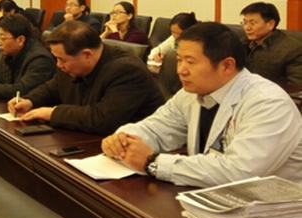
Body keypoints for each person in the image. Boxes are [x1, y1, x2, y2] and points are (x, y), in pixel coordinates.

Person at [101, 22, 302, 188]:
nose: (181, 70)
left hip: (274, 212)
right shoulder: (191, 93)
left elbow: (239, 172)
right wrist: (123, 140)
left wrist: (153, 162)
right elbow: (156, 128)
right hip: (211, 200)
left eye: (190, 62)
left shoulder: (268, 103)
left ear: (227, 66)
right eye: (179, 60)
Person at [9, 21, 164, 134]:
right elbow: (54, 87)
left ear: (87, 55)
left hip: (134, 148)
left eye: (62, 59)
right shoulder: (70, 64)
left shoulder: (127, 70)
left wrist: (52, 113)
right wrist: (30, 100)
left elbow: (103, 119)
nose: (58, 65)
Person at [0, 14, 55, 99]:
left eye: (3, 38)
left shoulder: (40, 60)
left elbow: (22, 90)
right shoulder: (10, 53)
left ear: (20, 40)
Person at [240, 1, 302, 86]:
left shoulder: (293, 49)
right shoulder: (242, 43)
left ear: (270, 24)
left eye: (252, 23)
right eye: (244, 22)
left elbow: (296, 86)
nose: (247, 28)